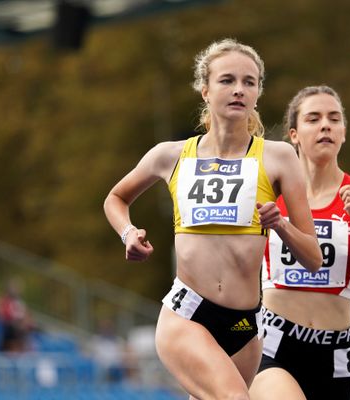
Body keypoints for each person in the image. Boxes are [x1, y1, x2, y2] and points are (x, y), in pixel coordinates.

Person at [103, 39, 322, 399]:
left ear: (257, 93)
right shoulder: (171, 155)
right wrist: (127, 232)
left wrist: (280, 224)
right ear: (205, 90)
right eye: (227, 80)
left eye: (249, 82)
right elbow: (116, 197)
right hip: (186, 314)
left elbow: (313, 259)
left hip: (244, 325)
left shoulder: (280, 158)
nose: (239, 89)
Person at [248, 86, 350, 400]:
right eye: (313, 119)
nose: (325, 126)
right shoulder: (268, 191)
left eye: (334, 119)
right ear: (294, 134)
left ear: (344, 133)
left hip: (335, 351)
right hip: (274, 340)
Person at [0, 278, 34, 352]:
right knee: (15, 328)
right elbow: (2, 314)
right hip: (9, 328)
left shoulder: (20, 302)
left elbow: (27, 315)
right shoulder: (4, 300)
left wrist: (28, 322)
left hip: (19, 328)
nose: (16, 290)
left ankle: (25, 351)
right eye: (14, 287)